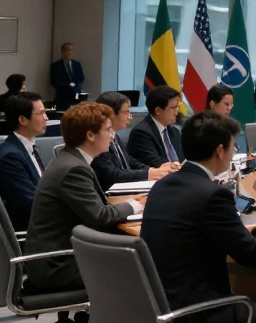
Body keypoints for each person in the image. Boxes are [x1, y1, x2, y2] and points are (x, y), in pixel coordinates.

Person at [141, 111, 256, 323]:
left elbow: (197, 234)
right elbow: (250, 255)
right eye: (233, 148)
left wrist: (240, 232)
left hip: (159, 311)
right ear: (220, 151)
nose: (233, 153)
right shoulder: (213, 194)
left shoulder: (162, 185)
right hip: (202, 317)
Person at [24, 102, 142, 292]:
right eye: (108, 129)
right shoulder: (74, 168)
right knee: (141, 265)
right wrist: (134, 205)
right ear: (90, 135)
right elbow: (100, 216)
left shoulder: (70, 160)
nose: (113, 136)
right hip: (58, 266)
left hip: (61, 256)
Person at [91, 91, 177, 189]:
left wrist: (153, 170)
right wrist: (150, 173)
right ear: (111, 113)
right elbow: (112, 175)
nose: (130, 116)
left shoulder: (115, 136)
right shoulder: (100, 139)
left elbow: (130, 161)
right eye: (126, 112)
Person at [0, 92, 48, 230]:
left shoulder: (29, 147)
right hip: (34, 231)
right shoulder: (10, 156)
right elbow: (30, 203)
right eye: (41, 113)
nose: (46, 118)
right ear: (23, 119)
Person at [127, 85, 184, 167]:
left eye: (178, 106)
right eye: (173, 107)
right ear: (158, 110)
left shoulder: (174, 131)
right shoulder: (141, 133)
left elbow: (182, 158)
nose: (177, 110)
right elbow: (154, 162)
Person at [48, 42, 85, 110]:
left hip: (76, 97)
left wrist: (74, 85)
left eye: (71, 50)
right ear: (62, 52)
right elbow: (53, 81)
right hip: (62, 97)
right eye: (68, 50)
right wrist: (68, 85)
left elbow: (81, 78)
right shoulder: (56, 66)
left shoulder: (77, 65)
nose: (70, 52)